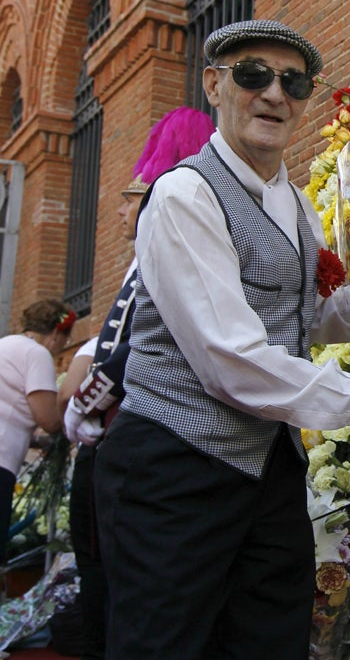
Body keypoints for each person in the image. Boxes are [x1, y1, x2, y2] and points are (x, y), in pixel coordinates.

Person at [92, 19, 350, 660]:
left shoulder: (294, 202)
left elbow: (301, 323)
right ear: (214, 85)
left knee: (271, 644)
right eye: (253, 75)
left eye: (293, 82)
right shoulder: (182, 195)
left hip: (268, 472)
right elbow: (234, 362)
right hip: (174, 468)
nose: (273, 95)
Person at [57, 106, 215, 660]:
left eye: (134, 192)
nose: (125, 206)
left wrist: (84, 404)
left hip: (132, 424)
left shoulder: (168, 229)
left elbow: (138, 342)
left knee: (117, 584)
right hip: (119, 424)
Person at [0, 299, 71, 560]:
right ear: (55, 332)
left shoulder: (5, 344)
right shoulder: (36, 353)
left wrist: (37, 442)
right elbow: (48, 419)